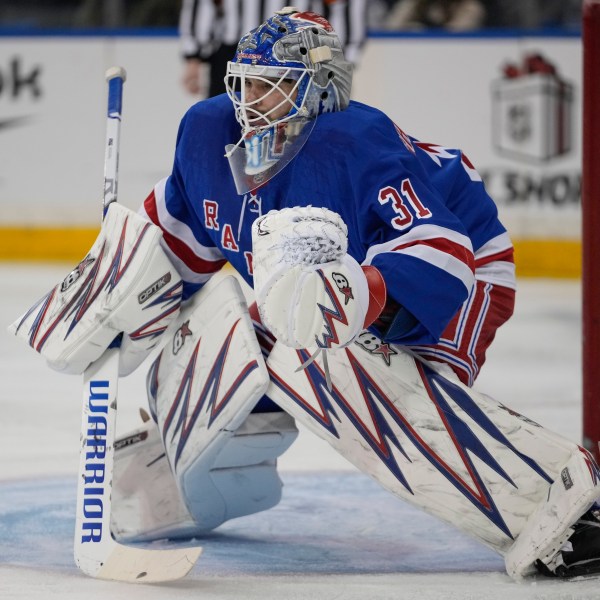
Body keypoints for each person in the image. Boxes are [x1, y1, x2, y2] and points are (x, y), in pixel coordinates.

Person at [11, 7, 600, 581]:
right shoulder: (208, 133)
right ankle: (181, 477)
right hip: (320, 288)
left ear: (320, 91)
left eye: (272, 88)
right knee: (225, 320)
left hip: (464, 270)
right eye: (244, 84)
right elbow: (168, 250)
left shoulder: (356, 142)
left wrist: (361, 296)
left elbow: (443, 256)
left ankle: (563, 508)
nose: (250, 103)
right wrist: (104, 294)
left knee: (334, 367)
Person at [179, 0, 368, 96]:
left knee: (304, 133)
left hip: (302, 54)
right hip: (236, 52)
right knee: (228, 133)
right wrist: (193, 57)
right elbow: (202, 5)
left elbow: (345, 7)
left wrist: (341, 61)